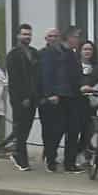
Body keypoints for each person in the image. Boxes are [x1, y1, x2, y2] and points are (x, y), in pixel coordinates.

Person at [5, 23, 42, 171]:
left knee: (26, 127)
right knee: (20, 127)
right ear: (18, 36)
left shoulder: (34, 52)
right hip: (20, 98)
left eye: (29, 34)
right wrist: (22, 97)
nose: (27, 37)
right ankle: (21, 157)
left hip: (33, 97)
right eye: (24, 34)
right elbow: (14, 79)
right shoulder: (13, 54)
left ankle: (18, 153)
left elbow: (37, 74)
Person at [38, 27, 75, 171]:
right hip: (52, 97)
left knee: (65, 128)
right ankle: (50, 158)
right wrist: (49, 94)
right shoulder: (45, 53)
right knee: (53, 130)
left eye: (56, 36)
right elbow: (45, 75)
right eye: (50, 36)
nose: (53, 38)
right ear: (46, 39)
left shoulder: (66, 52)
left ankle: (59, 159)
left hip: (67, 95)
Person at [67, 39, 98, 172]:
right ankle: (70, 160)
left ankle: (81, 153)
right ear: (80, 51)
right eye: (85, 49)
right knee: (74, 131)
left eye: (90, 49)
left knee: (89, 131)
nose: (87, 52)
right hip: (76, 102)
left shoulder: (97, 66)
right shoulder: (74, 65)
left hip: (92, 104)